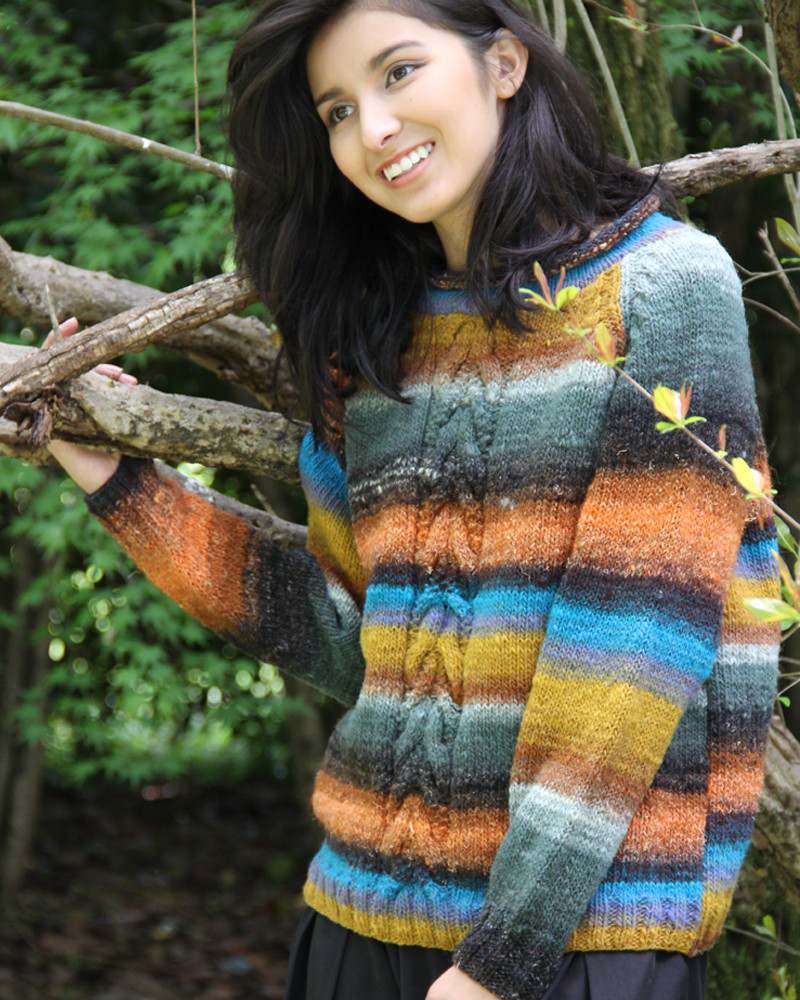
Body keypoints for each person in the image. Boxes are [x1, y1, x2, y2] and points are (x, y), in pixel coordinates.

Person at [43, 1, 782, 999]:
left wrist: (501, 957)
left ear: (505, 64)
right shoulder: (369, 337)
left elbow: (634, 641)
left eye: (397, 72)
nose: (374, 128)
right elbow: (351, 637)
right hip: (357, 921)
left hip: (582, 943)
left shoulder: (663, 285)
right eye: (338, 110)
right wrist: (116, 477)